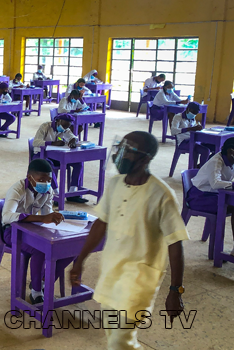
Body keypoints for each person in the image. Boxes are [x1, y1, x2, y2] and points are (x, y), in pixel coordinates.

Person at [70, 131, 187, 349]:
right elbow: (100, 224)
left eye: (129, 150)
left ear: (145, 159)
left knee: (119, 341)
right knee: (113, 335)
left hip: (139, 280)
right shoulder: (115, 184)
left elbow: (175, 243)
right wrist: (80, 260)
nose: (120, 154)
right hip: (111, 272)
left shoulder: (162, 195)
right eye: (121, 147)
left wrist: (175, 291)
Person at [2, 159, 72, 303]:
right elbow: (7, 216)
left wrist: (52, 218)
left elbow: (47, 214)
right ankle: (36, 292)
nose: (45, 184)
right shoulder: (18, 189)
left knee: (68, 247)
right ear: (30, 177)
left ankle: (44, 280)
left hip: (33, 229)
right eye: (41, 179)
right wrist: (41, 218)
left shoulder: (48, 190)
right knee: (39, 249)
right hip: (12, 231)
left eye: (49, 180)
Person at [188, 137, 234, 255]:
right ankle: (218, 252)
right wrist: (232, 184)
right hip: (200, 196)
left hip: (216, 195)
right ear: (231, 152)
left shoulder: (231, 161)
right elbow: (215, 183)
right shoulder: (216, 161)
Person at [33, 114, 86, 203]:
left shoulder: (65, 129)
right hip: (41, 155)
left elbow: (73, 137)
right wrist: (52, 143)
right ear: (58, 121)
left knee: (78, 163)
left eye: (67, 127)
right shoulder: (45, 126)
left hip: (57, 155)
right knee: (48, 165)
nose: (65, 128)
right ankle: (56, 194)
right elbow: (36, 142)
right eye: (64, 126)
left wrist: (73, 140)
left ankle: (72, 192)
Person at [171, 102, 212, 168]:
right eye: (193, 112)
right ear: (188, 109)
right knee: (206, 151)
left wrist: (198, 128)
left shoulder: (192, 119)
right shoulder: (178, 117)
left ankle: (199, 167)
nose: (194, 114)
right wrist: (190, 129)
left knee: (213, 147)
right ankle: (200, 171)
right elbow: (173, 131)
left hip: (193, 140)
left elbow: (194, 129)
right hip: (184, 142)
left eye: (196, 113)